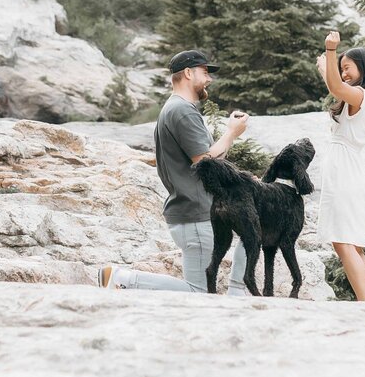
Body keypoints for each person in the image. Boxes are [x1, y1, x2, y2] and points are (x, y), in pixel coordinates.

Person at [98, 50, 252, 293]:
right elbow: (205, 162)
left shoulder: (176, 108)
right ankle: (122, 278)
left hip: (190, 211)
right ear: (189, 73)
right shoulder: (182, 111)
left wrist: (230, 138)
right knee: (198, 292)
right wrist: (231, 132)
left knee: (201, 291)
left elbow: (209, 160)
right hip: (196, 212)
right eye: (205, 72)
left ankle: (237, 291)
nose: (209, 79)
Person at [316, 30, 365, 302]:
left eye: (347, 68)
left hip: (345, 171)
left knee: (343, 241)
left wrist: (331, 52)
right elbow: (336, 85)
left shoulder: (362, 97)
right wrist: (328, 68)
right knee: (352, 245)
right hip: (348, 169)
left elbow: (336, 87)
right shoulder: (362, 97)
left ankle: (364, 304)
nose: (343, 73)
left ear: (363, 67)